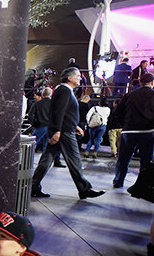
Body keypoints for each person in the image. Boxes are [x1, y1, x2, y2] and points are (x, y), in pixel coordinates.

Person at [31, 67, 105, 199]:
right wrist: (58, 131)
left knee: (47, 159)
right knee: (74, 160)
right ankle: (84, 189)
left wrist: (74, 126)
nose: (80, 78)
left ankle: (33, 186)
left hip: (64, 130)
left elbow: (64, 113)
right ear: (69, 78)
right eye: (78, 76)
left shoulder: (64, 90)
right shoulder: (64, 90)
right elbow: (58, 112)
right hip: (64, 133)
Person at [110, 72, 154, 189]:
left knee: (123, 158)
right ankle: (143, 184)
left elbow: (117, 113)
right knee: (146, 160)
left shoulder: (129, 95)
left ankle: (118, 180)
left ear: (140, 82)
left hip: (129, 131)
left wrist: (125, 123)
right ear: (152, 82)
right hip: (148, 131)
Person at [27, 87, 51, 154]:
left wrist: (34, 124)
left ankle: (29, 157)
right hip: (50, 126)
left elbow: (30, 115)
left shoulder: (37, 104)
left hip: (40, 126)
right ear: (50, 94)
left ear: (42, 94)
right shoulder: (54, 104)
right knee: (46, 146)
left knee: (32, 143)